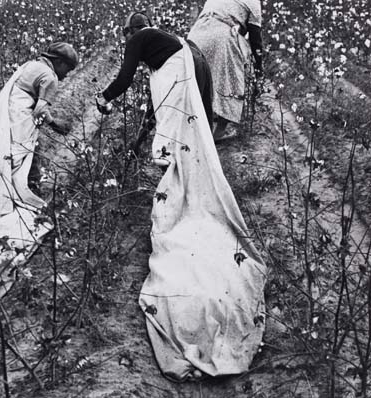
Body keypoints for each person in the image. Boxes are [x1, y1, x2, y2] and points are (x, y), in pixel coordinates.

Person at [98, 12, 267, 382]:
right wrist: (137, 144)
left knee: (172, 148)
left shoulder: (140, 39)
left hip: (184, 75)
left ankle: (175, 197)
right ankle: (178, 187)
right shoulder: (169, 48)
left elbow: (125, 78)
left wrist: (104, 97)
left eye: (127, 38)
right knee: (178, 143)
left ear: (130, 32)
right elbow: (156, 109)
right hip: (191, 74)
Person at [0, 42, 78, 312]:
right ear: (61, 63)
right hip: (18, 119)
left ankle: (12, 194)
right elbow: (41, 111)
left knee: (5, 166)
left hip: (4, 117)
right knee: (14, 168)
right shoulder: (50, 76)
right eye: (68, 69)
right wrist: (59, 126)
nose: (67, 76)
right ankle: (10, 205)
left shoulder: (31, 66)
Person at [188, 0, 263, 142]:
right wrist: (259, 70)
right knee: (229, 80)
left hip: (196, 34)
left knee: (197, 80)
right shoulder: (253, 2)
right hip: (220, 36)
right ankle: (218, 132)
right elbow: (255, 39)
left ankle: (194, 129)